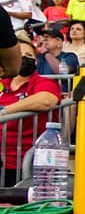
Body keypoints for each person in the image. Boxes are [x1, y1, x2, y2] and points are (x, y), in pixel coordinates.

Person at [0, 32, 61, 186]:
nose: (24, 58)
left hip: (23, 164)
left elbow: (46, 100)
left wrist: (5, 111)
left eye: (29, 55)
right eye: (19, 54)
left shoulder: (41, 82)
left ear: (35, 61)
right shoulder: (3, 83)